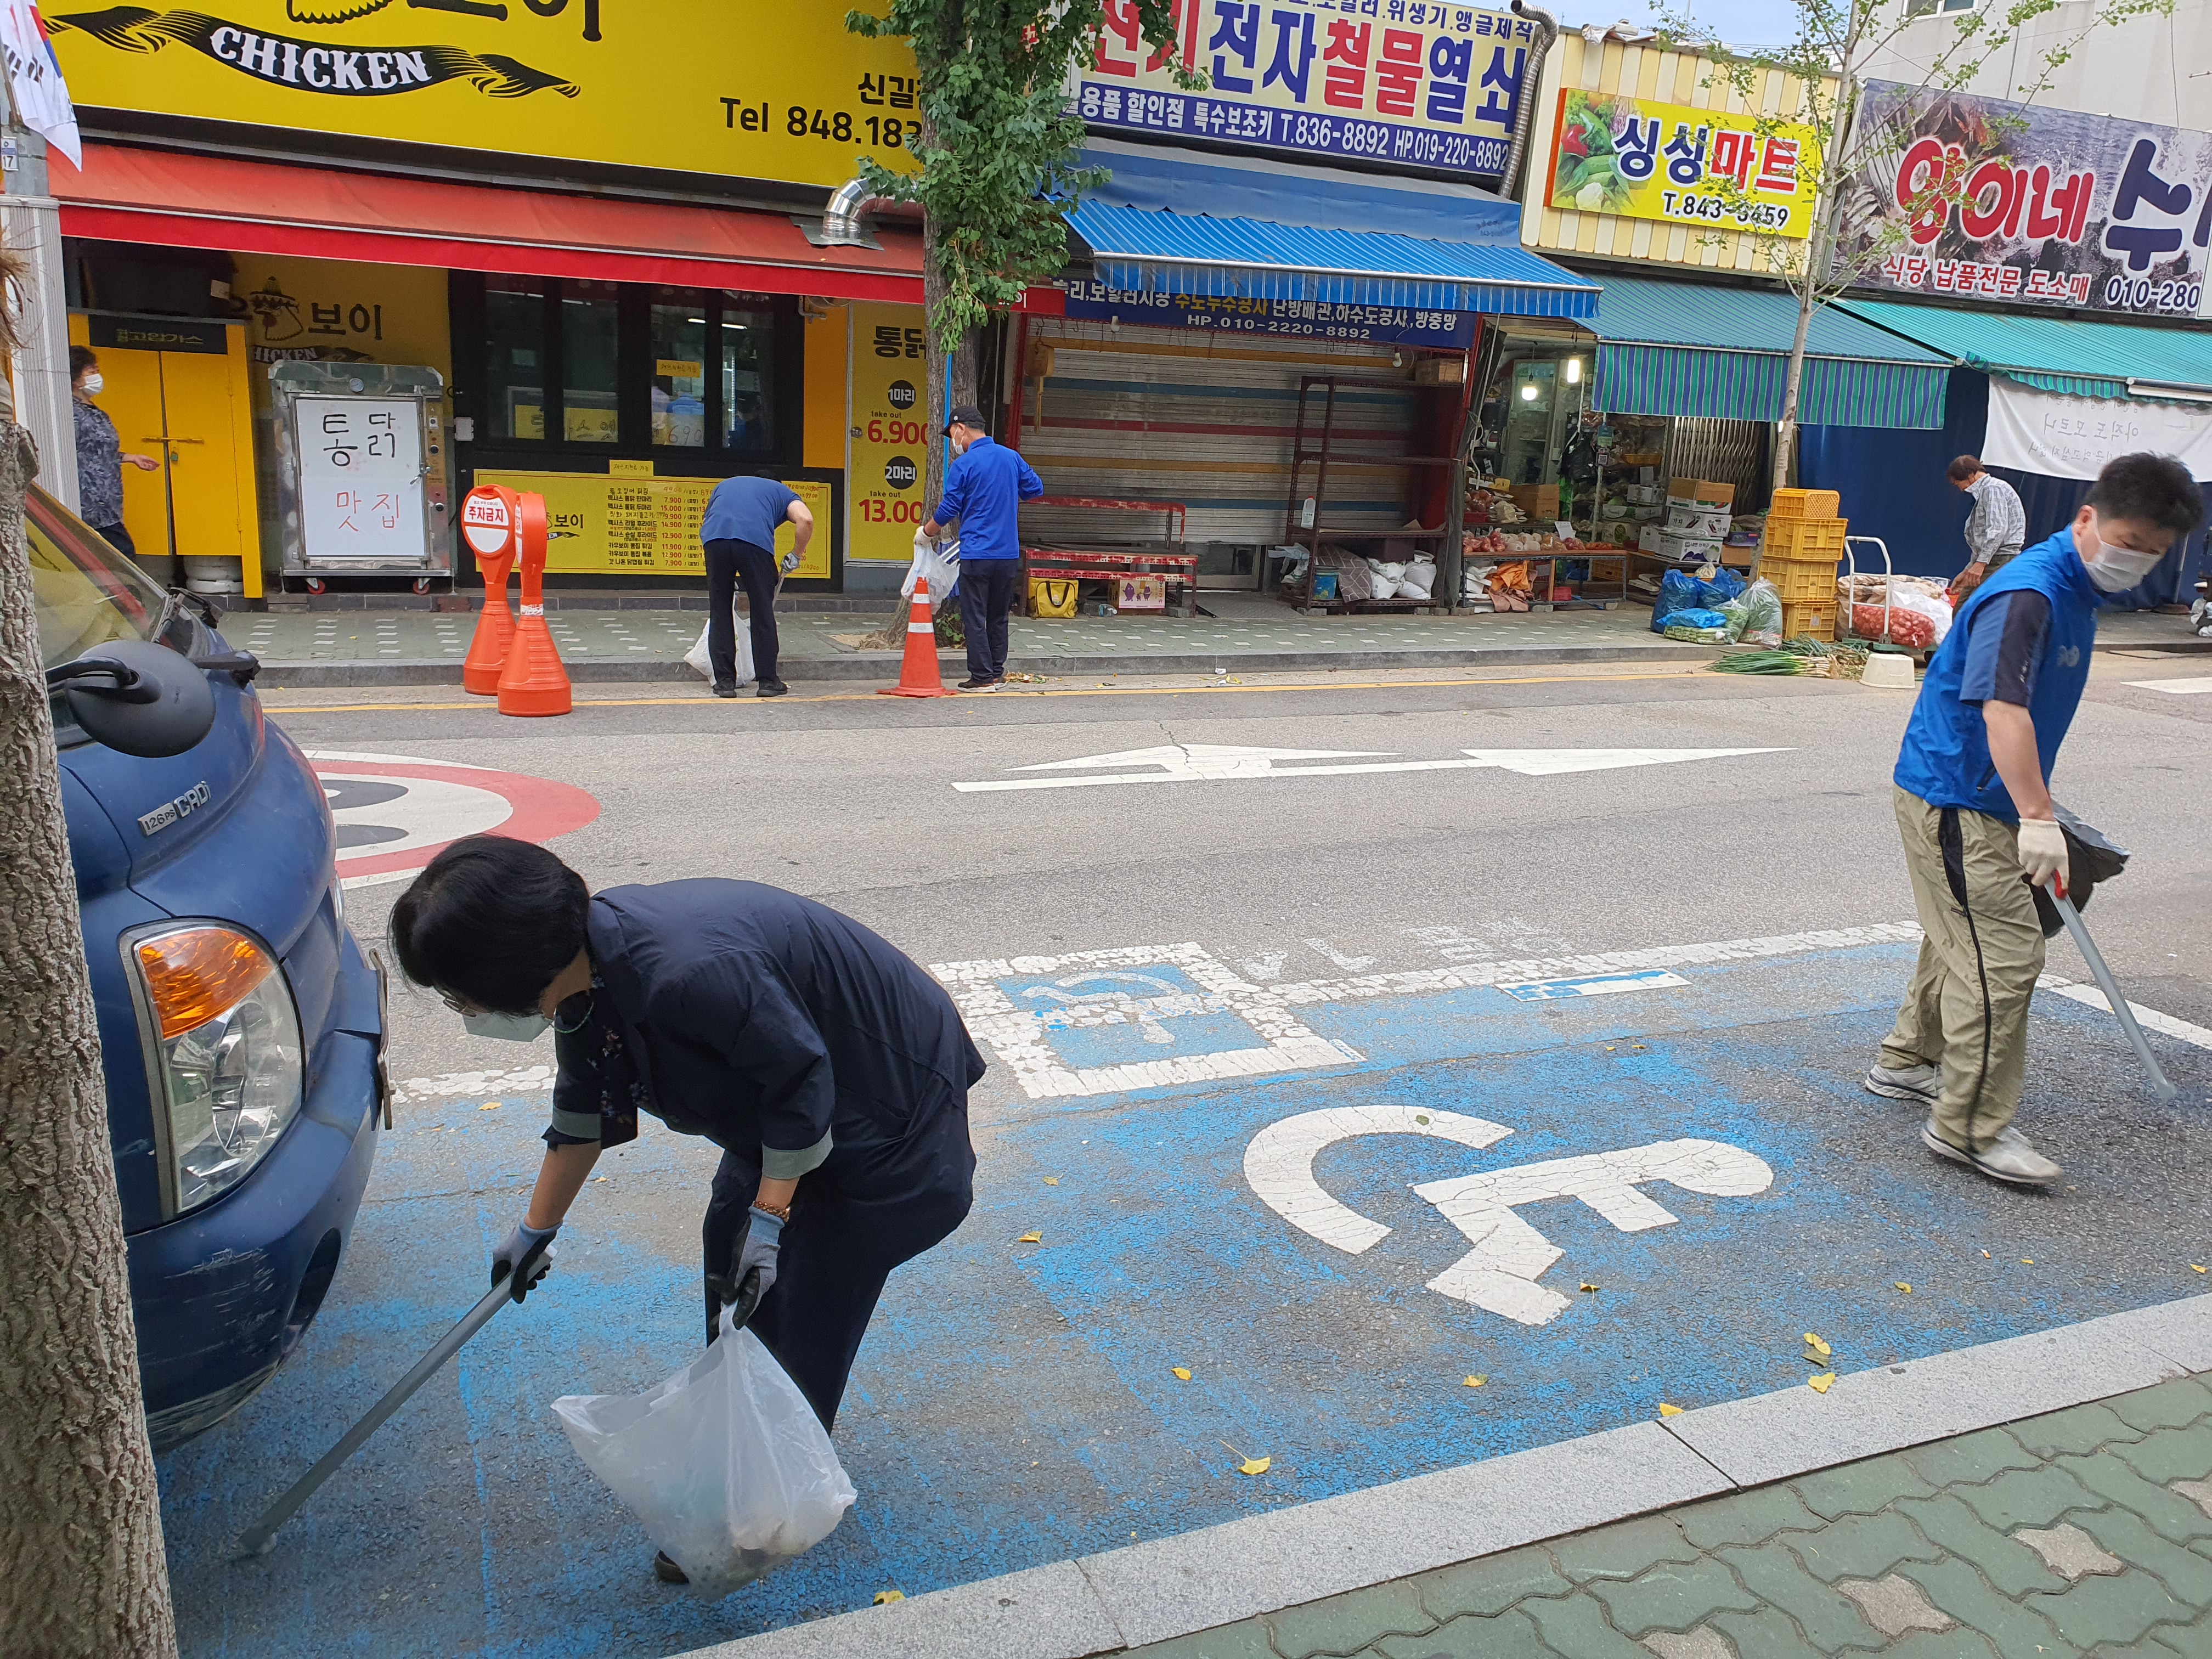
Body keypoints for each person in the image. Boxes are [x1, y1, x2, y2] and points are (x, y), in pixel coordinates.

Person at [390, 836, 982, 1582]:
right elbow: (586, 1110)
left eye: (460, 994)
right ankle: (740, 1449)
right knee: (732, 1256)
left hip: (883, 1106)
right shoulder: (584, 982)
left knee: (799, 1296)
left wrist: (773, 1220)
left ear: (513, 969)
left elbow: (803, 1083)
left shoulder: (687, 973)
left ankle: (762, 1507)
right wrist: (533, 1232)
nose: (464, 1010)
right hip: (790, 1107)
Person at [1867, 452, 2202, 1187]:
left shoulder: (2075, 588)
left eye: (2153, 555)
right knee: (2006, 958)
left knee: (1963, 938)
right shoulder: (2031, 594)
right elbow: (2003, 707)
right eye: (2128, 543)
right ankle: (1968, 1128)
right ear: (2087, 520)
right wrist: (2038, 816)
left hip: (1979, 795)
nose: (2136, 562)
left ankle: (1909, 1059)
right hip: (1959, 797)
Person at [921, 403, 1042, 692]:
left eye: (952, 435)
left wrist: (926, 533)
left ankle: (981, 677)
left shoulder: (963, 464)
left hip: (977, 553)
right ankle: (997, 672)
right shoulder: (1011, 457)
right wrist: (1009, 492)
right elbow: (1035, 488)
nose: (954, 444)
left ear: (961, 428)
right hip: (1008, 554)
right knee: (998, 615)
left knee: (974, 616)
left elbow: (950, 506)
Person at [699, 472, 812, 699]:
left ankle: (724, 684)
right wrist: (797, 554)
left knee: (720, 610)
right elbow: (806, 520)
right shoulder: (783, 493)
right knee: (762, 610)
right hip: (754, 543)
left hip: (715, 540)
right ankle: (769, 682)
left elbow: (709, 516)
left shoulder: (725, 484)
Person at [70, 346, 158, 561]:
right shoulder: (70, 413)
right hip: (91, 504)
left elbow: (97, 449)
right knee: (122, 556)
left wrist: (130, 457)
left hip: (107, 502)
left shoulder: (93, 410)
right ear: (75, 379)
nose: (97, 377)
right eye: (91, 372)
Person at [1945, 455, 2027, 602]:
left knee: (1973, 606)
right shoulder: (1987, 491)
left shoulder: (1992, 489)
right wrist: (1968, 570)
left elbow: (1997, 530)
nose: (1961, 490)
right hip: (1992, 558)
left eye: (1959, 484)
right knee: (1964, 606)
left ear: (1970, 476)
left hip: (1999, 559)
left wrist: (1980, 564)